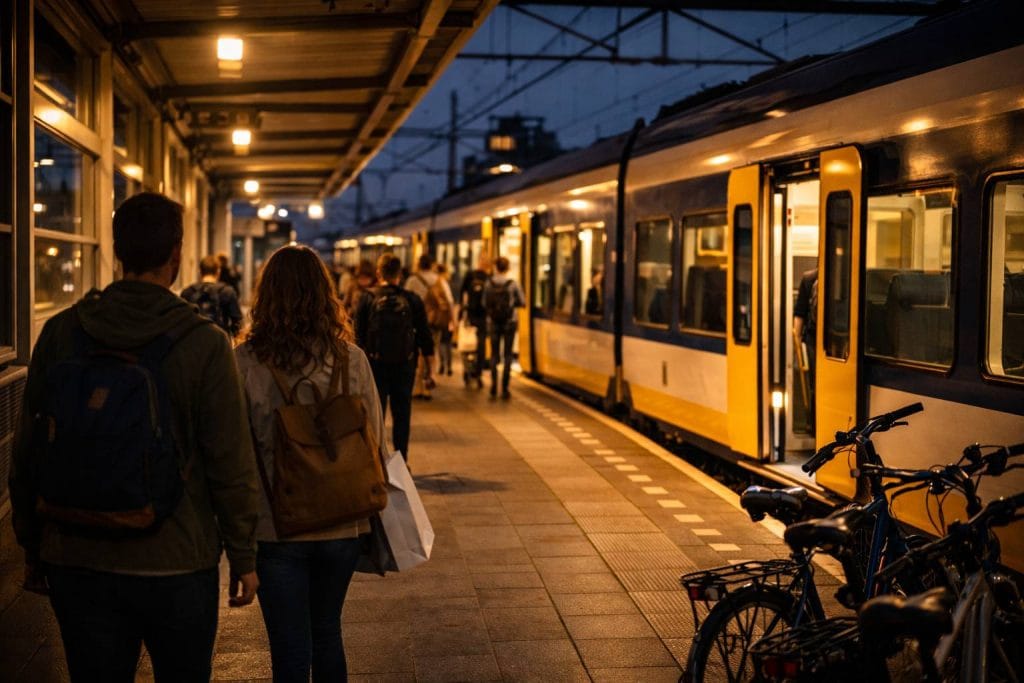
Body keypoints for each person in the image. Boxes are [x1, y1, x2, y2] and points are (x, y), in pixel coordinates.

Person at [9, 192, 260, 682]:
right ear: (176, 255)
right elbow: (230, 460)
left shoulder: (62, 332)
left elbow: (29, 451)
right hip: (177, 561)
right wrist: (245, 555)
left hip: (77, 554)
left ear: (116, 250)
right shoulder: (205, 343)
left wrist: (32, 546)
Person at [235, 245, 388, 682]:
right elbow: (374, 436)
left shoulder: (244, 362)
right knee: (326, 632)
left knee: (288, 647)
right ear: (325, 294)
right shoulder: (352, 360)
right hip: (342, 523)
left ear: (267, 296)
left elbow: (236, 454)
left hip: (275, 527)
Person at [354, 253, 434, 461]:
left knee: (374, 414)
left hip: (375, 366)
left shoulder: (367, 298)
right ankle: (401, 461)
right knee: (402, 414)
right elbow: (425, 336)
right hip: (405, 365)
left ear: (379, 273)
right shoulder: (412, 299)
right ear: (400, 273)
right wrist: (430, 370)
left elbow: (356, 336)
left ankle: (376, 459)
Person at [405, 254, 454, 391]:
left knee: (418, 353)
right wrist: (453, 320)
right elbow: (449, 301)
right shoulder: (439, 280)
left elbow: (405, 300)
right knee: (432, 351)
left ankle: (418, 386)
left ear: (418, 264)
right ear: (431, 265)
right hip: (434, 321)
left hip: (415, 321)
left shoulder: (412, 280)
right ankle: (428, 385)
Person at [483, 256, 526, 399]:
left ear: (496, 267)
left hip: (493, 322)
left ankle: (493, 386)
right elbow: (522, 302)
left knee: (494, 355)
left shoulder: (489, 283)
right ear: (507, 268)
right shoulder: (513, 283)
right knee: (508, 354)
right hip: (510, 322)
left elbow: (484, 303)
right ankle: (505, 388)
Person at [181, 254, 243, 337]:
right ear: (218, 272)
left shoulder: (187, 292)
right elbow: (237, 322)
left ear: (200, 272)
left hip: (193, 342)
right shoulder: (227, 291)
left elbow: (181, 322)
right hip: (220, 343)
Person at [793, 267, 818, 435]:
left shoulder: (809, 278)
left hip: (814, 339)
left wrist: (797, 339)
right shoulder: (851, 273)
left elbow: (800, 313)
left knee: (815, 383)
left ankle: (813, 424)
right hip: (840, 340)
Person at [459, 256, 491, 387]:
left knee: (468, 346)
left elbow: (462, 293)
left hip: (471, 315)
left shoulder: (470, 275)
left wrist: (462, 312)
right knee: (480, 347)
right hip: (483, 316)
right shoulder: (489, 278)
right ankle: (477, 374)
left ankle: (468, 372)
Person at [436, 263, 456, 375]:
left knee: (441, 342)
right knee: (446, 342)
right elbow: (450, 302)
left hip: (438, 317)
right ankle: (448, 366)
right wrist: (453, 319)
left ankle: (442, 365)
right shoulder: (443, 283)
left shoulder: (435, 283)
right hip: (445, 317)